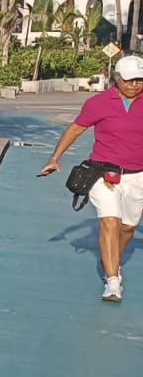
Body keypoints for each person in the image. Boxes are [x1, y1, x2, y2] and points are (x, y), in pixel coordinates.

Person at [39, 55, 143, 303]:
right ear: (117, 79)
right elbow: (76, 128)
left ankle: (110, 257)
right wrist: (55, 157)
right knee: (109, 221)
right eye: (130, 80)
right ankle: (112, 280)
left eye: (140, 80)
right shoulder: (98, 102)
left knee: (127, 227)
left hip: (137, 175)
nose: (135, 85)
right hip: (102, 172)